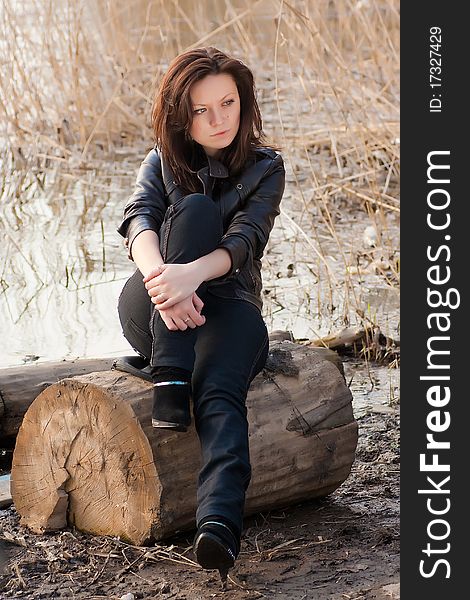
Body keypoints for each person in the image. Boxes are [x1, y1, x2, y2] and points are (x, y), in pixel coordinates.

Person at [116, 46, 285, 582]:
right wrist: (166, 282)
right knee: (191, 209)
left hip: (229, 305)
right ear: (180, 115)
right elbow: (139, 220)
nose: (218, 120)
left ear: (244, 101)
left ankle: (217, 524)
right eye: (201, 110)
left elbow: (244, 241)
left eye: (228, 103)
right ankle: (169, 374)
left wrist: (194, 277)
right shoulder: (162, 160)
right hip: (155, 301)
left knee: (218, 389)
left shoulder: (265, 168)